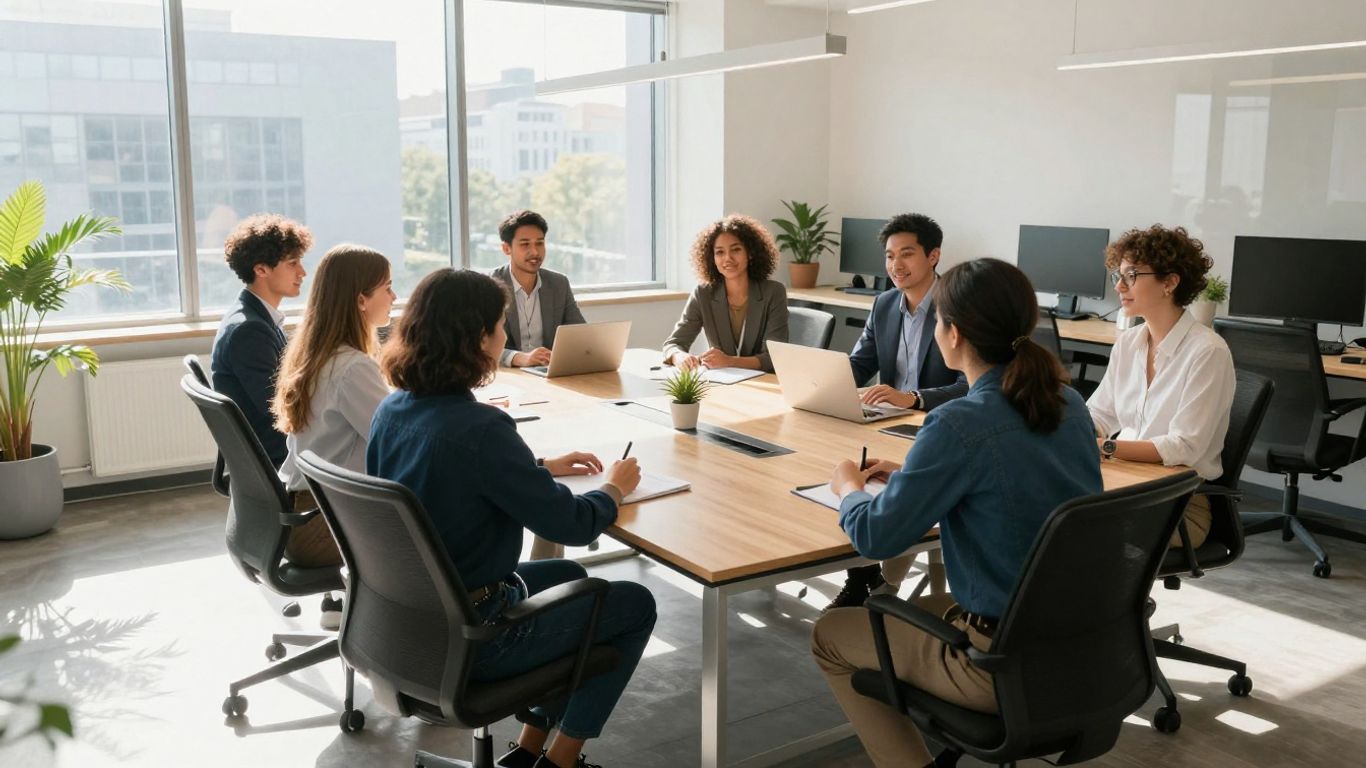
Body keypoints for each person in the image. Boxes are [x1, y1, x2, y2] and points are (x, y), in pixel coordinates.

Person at [810, 258, 1103, 768]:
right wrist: (916, 471)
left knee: (832, 632)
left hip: (996, 663)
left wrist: (848, 488)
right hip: (1086, 646)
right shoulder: (1070, 403)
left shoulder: (957, 422)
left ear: (953, 333)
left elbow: (875, 538)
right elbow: (1012, 471)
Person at [368, 268, 657, 768]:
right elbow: (572, 525)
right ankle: (561, 762)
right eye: (500, 325)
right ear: (478, 338)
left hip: (407, 619)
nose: (505, 336)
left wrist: (539, 467)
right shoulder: (481, 428)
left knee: (568, 575)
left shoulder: (393, 410)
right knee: (633, 603)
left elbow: (453, 470)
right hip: (474, 634)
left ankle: (527, 750)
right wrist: (614, 488)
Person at [828, 213, 968, 610]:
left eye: (906, 254)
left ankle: (867, 579)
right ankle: (865, 569)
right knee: (845, 459)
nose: (895, 265)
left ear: (934, 255)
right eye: (889, 256)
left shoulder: (955, 305)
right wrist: (827, 381)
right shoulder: (885, 303)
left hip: (935, 425)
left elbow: (970, 384)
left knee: (871, 477)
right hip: (887, 424)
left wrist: (915, 398)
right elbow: (859, 364)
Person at [1088, 224, 1235, 549]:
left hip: (1179, 503)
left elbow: (1183, 446)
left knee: (1069, 528)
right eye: (1118, 276)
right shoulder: (1128, 343)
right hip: (1121, 481)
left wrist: (1104, 448)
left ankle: (1112, 601)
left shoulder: (1207, 351)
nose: (1120, 287)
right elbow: (1098, 413)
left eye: (1131, 275)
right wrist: (1070, 430)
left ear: (1169, 282)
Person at [272, 244, 395, 569]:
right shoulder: (352, 367)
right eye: (387, 287)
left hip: (303, 512)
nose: (394, 297)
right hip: (322, 525)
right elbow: (397, 441)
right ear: (360, 300)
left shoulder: (316, 354)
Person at [211, 213, 311, 469]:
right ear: (261, 269)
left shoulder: (256, 316)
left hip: (267, 447)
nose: (303, 272)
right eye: (293, 263)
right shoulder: (249, 330)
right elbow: (279, 408)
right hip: (275, 455)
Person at [662, 214, 790, 373]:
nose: (727, 258)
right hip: (722, 381)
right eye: (720, 252)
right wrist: (679, 357)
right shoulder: (703, 294)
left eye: (736, 250)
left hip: (763, 381)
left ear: (750, 253)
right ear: (712, 258)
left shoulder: (773, 292)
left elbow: (773, 358)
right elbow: (673, 344)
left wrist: (730, 361)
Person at [492, 210, 587, 369]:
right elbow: (477, 345)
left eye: (540, 243)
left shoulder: (559, 283)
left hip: (548, 373)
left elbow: (581, 334)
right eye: (525, 244)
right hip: (508, 377)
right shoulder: (490, 286)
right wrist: (519, 358)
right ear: (506, 249)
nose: (535, 252)